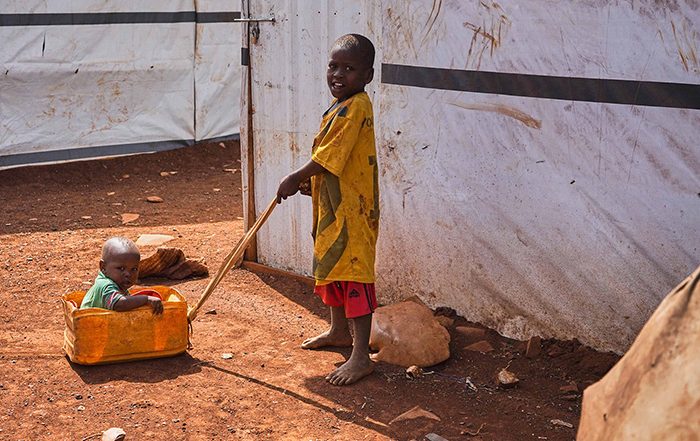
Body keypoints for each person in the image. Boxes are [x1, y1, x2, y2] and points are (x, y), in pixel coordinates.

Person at [276, 34, 379, 386]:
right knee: (332, 264)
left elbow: (329, 154)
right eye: (334, 66)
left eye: (349, 69)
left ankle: (361, 356)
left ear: (368, 75)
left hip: (353, 209)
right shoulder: (340, 105)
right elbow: (333, 158)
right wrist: (311, 184)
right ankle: (338, 331)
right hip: (334, 205)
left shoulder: (358, 106)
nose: (338, 74)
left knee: (355, 274)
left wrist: (296, 176)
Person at [80, 237, 163, 314]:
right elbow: (118, 304)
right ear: (103, 267)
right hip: (90, 326)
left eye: (134, 269)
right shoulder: (105, 285)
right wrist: (146, 299)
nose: (128, 274)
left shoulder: (117, 284)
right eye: (121, 268)